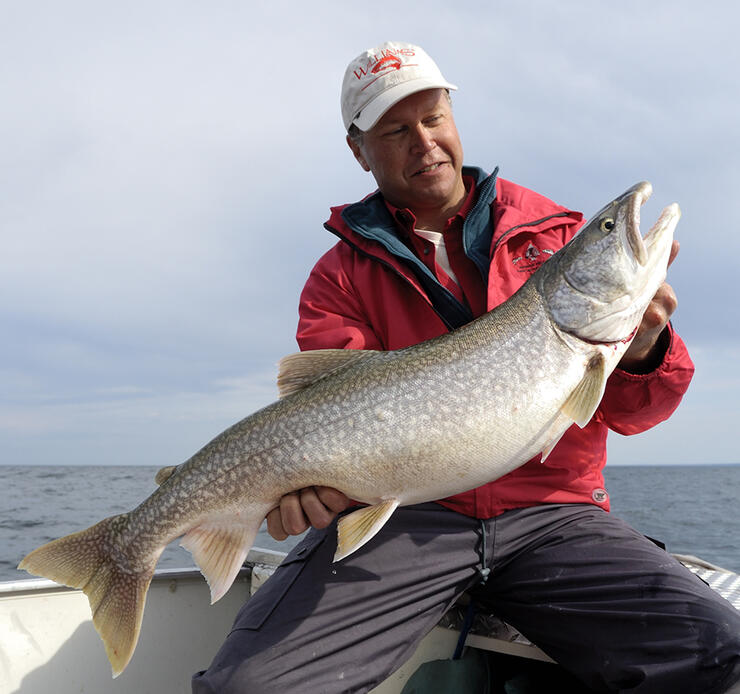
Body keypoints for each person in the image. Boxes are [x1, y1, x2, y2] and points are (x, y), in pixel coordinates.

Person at [193, 41, 740, 693]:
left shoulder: (557, 235)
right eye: (396, 130)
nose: (423, 142)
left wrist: (645, 348)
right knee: (248, 688)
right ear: (358, 150)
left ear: (454, 117)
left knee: (722, 655)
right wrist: (316, 489)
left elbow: (632, 413)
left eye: (433, 118)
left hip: (554, 510)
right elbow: (336, 412)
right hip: (406, 517)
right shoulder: (338, 278)